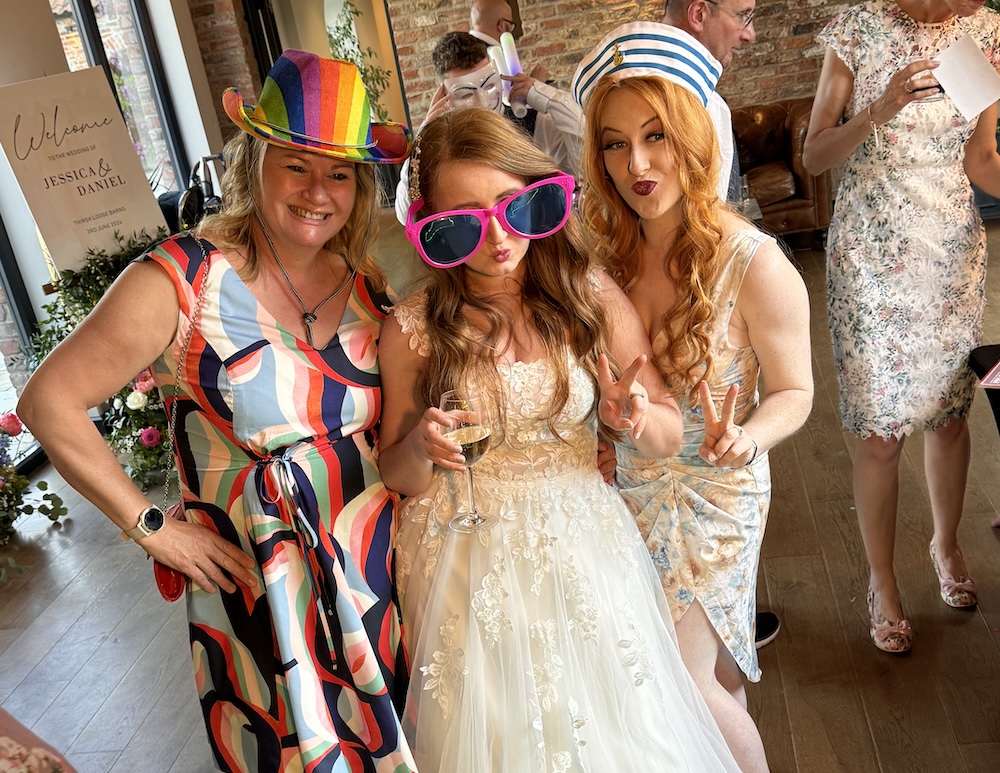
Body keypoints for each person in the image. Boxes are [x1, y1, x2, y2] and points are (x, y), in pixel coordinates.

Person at [18, 51, 417, 772]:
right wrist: (152, 529)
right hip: (260, 594)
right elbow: (48, 401)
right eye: (297, 163)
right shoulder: (183, 277)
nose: (319, 190)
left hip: (373, 574)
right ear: (255, 157)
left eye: (340, 171)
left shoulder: (367, 282)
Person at [378, 107, 742, 771]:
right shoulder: (412, 327)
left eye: (510, 207)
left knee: (615, 734)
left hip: (581, 543)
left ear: (537, 192)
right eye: (465, 219)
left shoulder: (588, 294)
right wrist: (422, 448)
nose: (495, 239)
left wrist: (632, 416)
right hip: (460, 556)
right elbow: (397, 473)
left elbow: (663, 435)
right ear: (432, 226)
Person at [574, 22, 813, 772]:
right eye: (614, 143)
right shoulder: (601, 250)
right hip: (628, 484)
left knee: (680, 675)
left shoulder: (756, 262)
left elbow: (797, 390)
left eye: (655, 136)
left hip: (716, 486)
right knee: (705, 673)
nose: (637, 164)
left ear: (693, 134)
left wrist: (750, 436)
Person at [802, 0, 1000, 654]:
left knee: (949, 415)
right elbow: (814, 156)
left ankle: (946, 546)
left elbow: (981, 160)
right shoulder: (856, 28)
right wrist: (876, 110)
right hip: (872, 259)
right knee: (882, 431)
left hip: (949, 252)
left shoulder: (983, 31)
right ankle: (882, 581)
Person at [661, 0, 779, 650]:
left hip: (715, 340)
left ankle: (730, 611)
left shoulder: (715, 103)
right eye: (744, 12)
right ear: (700, 11)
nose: (751, 30)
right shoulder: (689, 97)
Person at [394, 31, 583, 225]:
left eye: (490, 86)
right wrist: (423, 140)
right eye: (466, 95)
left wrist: (548, 98)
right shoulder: (442, 147)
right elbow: (406, 213)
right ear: (444, 96)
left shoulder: (533, 123)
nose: (482, 101)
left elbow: (585, 164)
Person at [662, 0, 757, 202]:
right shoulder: (709, 108)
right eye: (742, 16)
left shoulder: (602, 91)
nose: (750, 34)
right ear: (699, 14)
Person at [469, 0, 548, 80]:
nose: (511, 29)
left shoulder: (463, 49)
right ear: (501, 25)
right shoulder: (489, 56)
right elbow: (505, 91)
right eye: (511, 24)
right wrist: (534, 83)